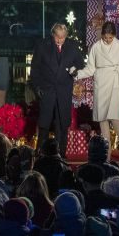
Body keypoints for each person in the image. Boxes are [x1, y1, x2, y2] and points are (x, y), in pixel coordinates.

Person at [75, 22, 119, 157]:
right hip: (101, 83)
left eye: (110, 37)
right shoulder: (95, 47)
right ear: (102, 35)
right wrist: (77, 74)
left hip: (115, 82)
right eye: (105, 37)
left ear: (114, 35)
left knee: (115, 117)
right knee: (103, 118)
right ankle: (106, 153)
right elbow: (90, 69)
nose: (108, 40)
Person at [30, 23, 84, 151]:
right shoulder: (42, 45)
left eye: (63, 37)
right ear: (53, 34)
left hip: (64, 91)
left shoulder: (72, 46)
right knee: (44, 124)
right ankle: (40, 154)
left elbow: (80, 64)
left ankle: (62, 155)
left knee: (62, 125)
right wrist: (38, 88)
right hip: (47, 90)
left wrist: (74, 70)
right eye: (58, 37)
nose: (60, 40)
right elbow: (35, 69)